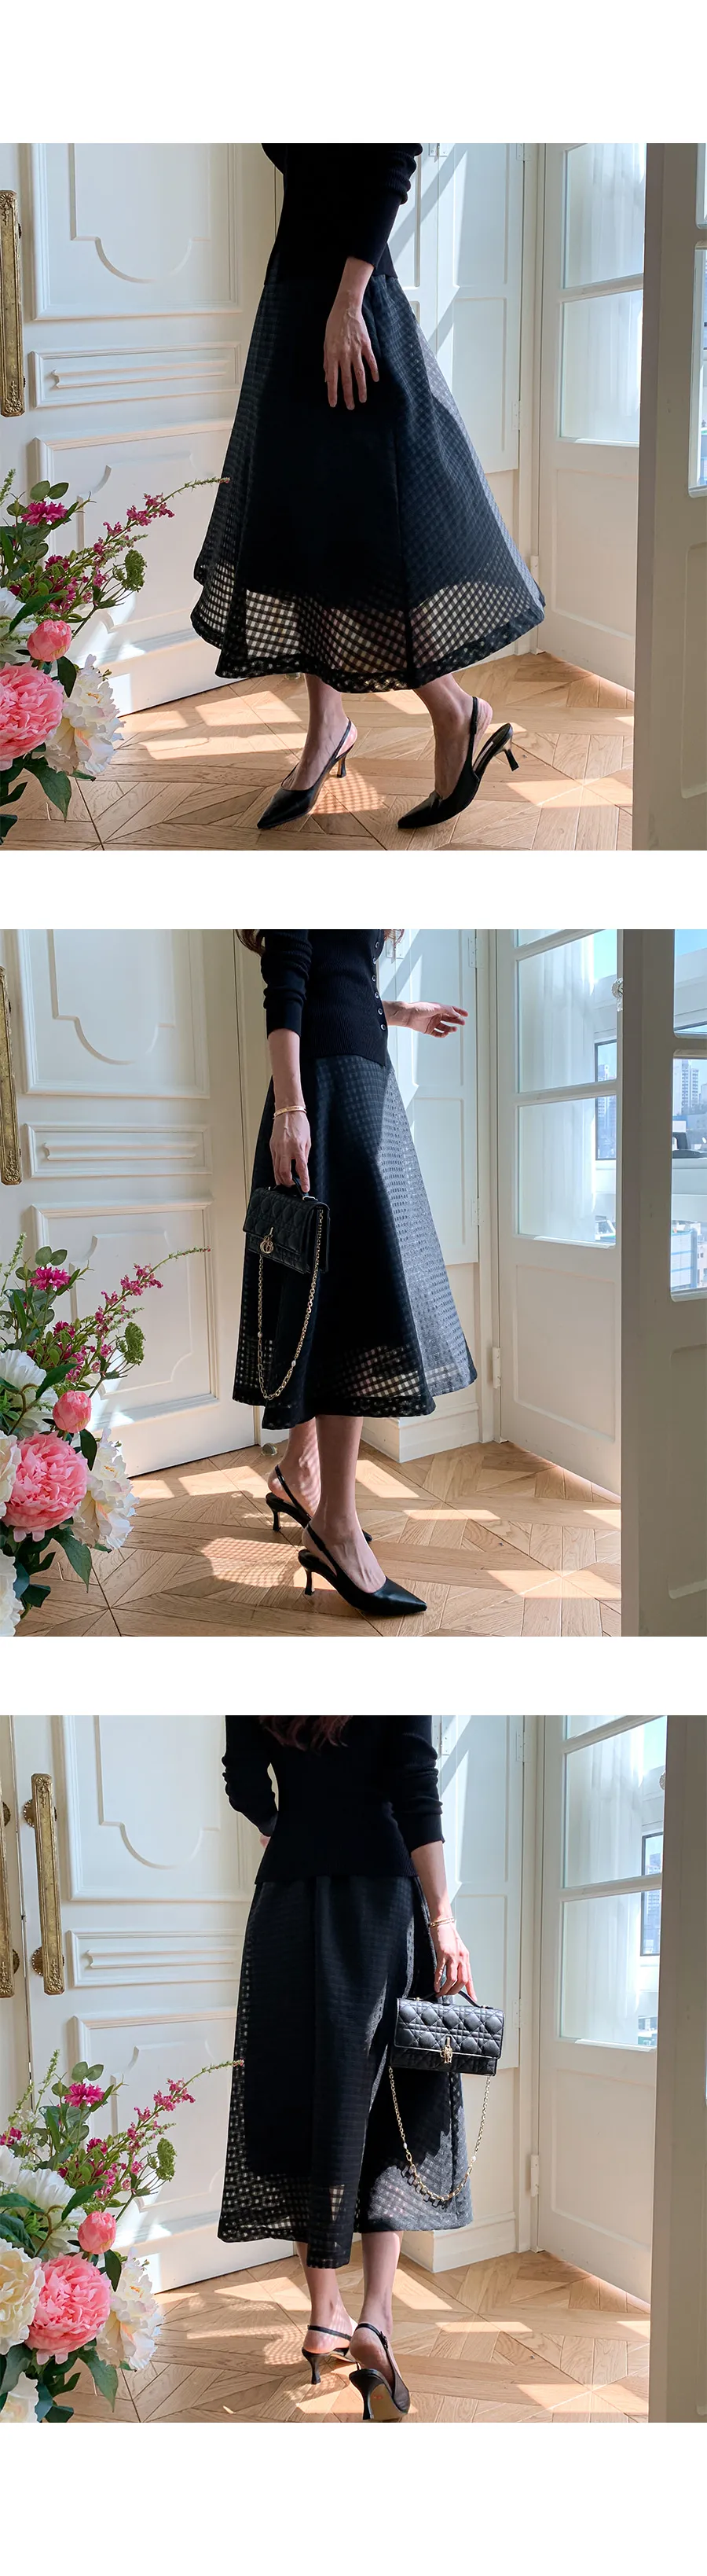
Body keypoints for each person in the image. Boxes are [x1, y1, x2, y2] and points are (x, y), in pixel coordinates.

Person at [192, 145, 544, 831]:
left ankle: (455, 708)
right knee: (303, 529)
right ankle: (328, 725)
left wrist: (349, 303)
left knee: (370, 537)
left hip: (348, 307)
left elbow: (391, 162)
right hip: (293, 305)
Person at [220, 1714, 477, 2422]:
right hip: (382, 1902)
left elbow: (244, 1782)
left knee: (301, 2099)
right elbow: (416, 1789)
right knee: (391, 2100)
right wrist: (443, 1918)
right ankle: (375, 2319)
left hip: (286, 1901)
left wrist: (284, 1826)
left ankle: (323, 2313)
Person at [234, 932, 477, 1619]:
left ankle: (299, 1470)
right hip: (326, 1087)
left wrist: (396, 1012)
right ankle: (336, 1524)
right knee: (349, 1296)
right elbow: (288, 976)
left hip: (357, 1081)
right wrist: (292, 1107)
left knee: (327, 1288)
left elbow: (333, 972)